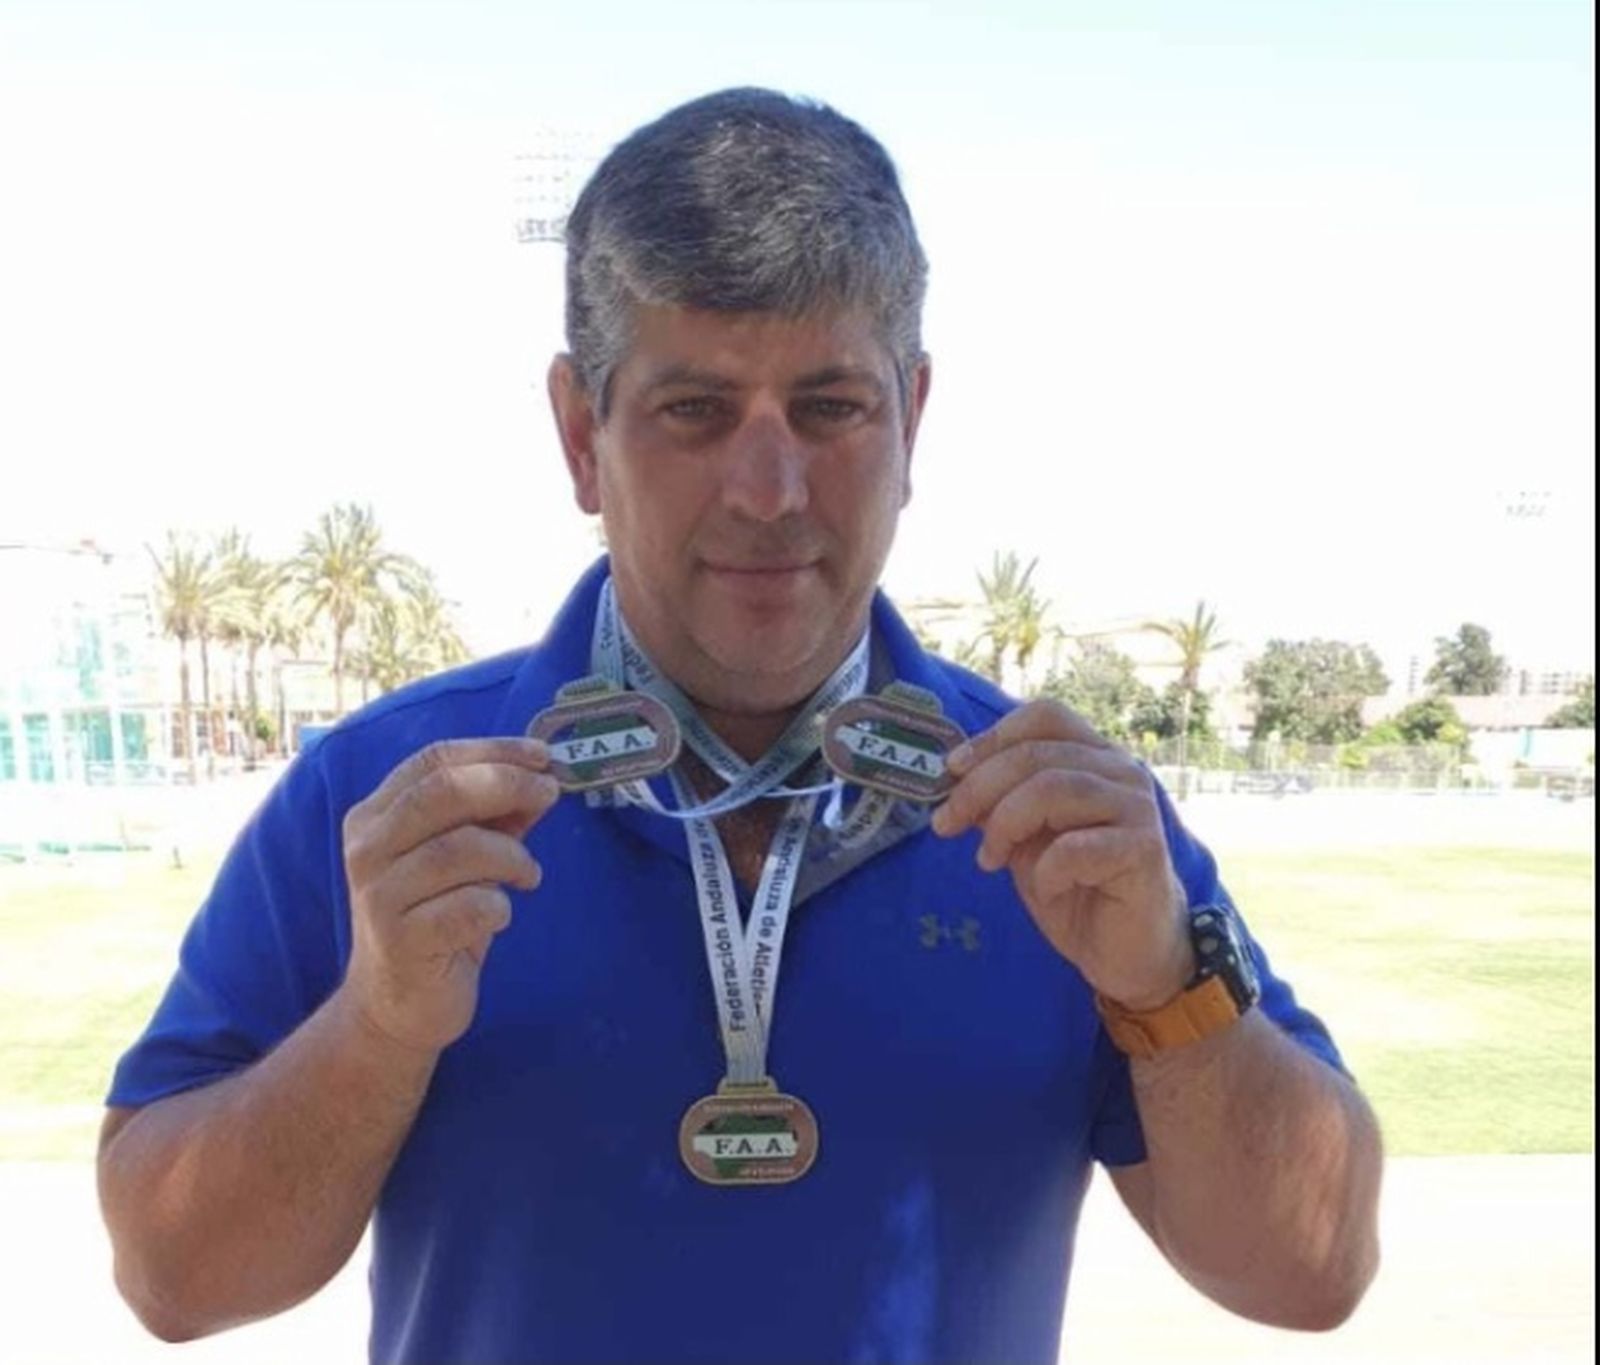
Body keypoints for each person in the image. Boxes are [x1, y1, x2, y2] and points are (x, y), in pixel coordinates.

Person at [99, 88, 1382, 1364]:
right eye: (694, 411)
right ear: (580, 436)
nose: (769, 493)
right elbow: (174, 1279)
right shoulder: (385, 801)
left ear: (912, 420)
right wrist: (374, 1030)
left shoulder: (1068, 824)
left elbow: (1311, 1269)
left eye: (830, 408)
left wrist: (1166, 988)